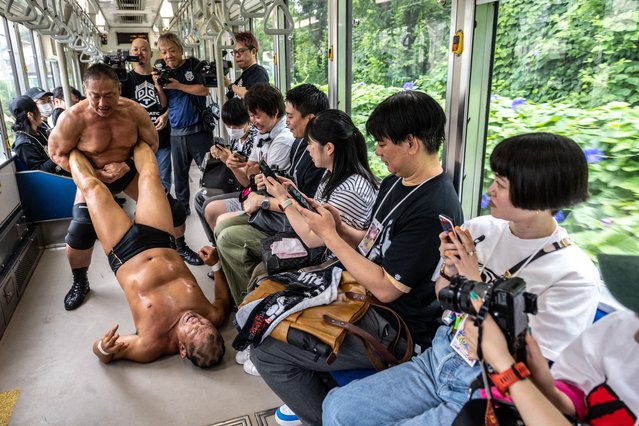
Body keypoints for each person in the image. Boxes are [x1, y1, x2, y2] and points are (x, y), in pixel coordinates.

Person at [321, 132, 601, 425]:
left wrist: (472, 278)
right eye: (493, 179)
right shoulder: (481, 229)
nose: (490, 190)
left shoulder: (573, 274)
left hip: (486, 385)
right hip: (439, 357)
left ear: (540, 196)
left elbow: (534, 362)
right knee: (338, 409)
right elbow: (443, 295)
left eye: (501, 185)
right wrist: (449, 270)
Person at [250, 91, 463, 426]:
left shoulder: (432, 207)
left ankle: (325, 418)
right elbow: (372, 241)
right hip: (360, 292)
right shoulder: (397, 181)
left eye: (383, 142)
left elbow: (388, 288)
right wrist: (338, 226)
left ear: (411, 143)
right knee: (266, 302)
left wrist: (331, 237)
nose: (377, 150)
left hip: (395, 322)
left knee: (266, 350)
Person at [49, 63, 201, 312]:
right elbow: (56, 154)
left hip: (127, 173)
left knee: (174, 211)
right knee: (79, 234)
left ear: (119, 89)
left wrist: (128, 165)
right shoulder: (72, 118)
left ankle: (181, 247)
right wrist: (93, 173)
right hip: (95, 178)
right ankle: (80, 281)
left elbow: (151, 143)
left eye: (108, 95)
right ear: (85, 90)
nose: (101, 103)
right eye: (94, 96)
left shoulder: (134, 111)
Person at [67, 143, 230, 367]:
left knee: (92, 188)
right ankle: (133, 133)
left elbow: (103, 354)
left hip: (124, 250)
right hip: (162, 239)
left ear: (182, 349)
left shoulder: (150, 345)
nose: (197, 321)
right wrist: (215, 265)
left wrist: (104, 347)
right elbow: (223, 300)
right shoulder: (214, 316)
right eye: (205, 325)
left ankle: (70, 145)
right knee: (151, 178)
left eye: (193, 330)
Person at [469, 253, 638, 426]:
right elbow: (578, 401)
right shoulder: (621, 326)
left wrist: (505, 366)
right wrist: (547, 389)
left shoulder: (577, 276)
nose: (635, 334)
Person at [212, 84, 328, 305]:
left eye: (291, 116)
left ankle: (250, 303)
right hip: (284, 214)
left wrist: (264, 199)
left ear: (311, 119)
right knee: (221, 225)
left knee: (227, 236)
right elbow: (255, 178)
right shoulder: (300, 148)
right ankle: (244, 295)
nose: (288, 122)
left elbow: (305, 210)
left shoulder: (307, 153)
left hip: (295, 226)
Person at [155, 32, 212, 216]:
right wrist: (158, 86)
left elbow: (204, 91)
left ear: (180, 49)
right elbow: (165, 103)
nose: (168, 55)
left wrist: (178, 85)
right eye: (164, 52)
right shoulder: (164, 72)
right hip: (176, 132)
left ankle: (212, 206)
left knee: (208, 172)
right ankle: (182, 211)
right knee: (179, 176)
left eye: (172, 50)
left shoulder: (193, 65)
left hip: (198, 130)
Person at [195, 97, 260, 243]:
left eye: (236, 126)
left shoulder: (256, 139)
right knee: (200, 197)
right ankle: (214, 242)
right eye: (228, 125)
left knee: (207, 203)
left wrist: (229, 161)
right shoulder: (237, 138)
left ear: (248, 121)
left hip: (245, 187)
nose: (232, 129)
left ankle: (217, 243)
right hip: (233, 181)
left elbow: (248, 182)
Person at [121, 37, 172, 191]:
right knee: (142, 179)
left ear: (150, 53)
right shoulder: (127, 79)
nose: (139, 53)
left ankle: (165, 210)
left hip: (161, 137)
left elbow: (168, 104)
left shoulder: (161, 75)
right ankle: (146, 210)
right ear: (130, 53)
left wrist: (158, 85)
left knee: (164, 179)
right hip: (138, 140)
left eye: (143, 49)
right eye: (135, 49)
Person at [9, 95, 68, 175]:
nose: (40, 113)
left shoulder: (41, 131)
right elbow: (39, 172)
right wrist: (57, 154)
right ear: (30, 115)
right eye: (37, 109)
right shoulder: (24, 144)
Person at [224, 31, 269, 99]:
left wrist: (230, 85)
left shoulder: (259, 73)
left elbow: (251, 95)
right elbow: (226, 100)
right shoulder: (242, 77)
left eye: (241, 51)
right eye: (235, 52)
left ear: (253, 52)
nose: (237, 55)